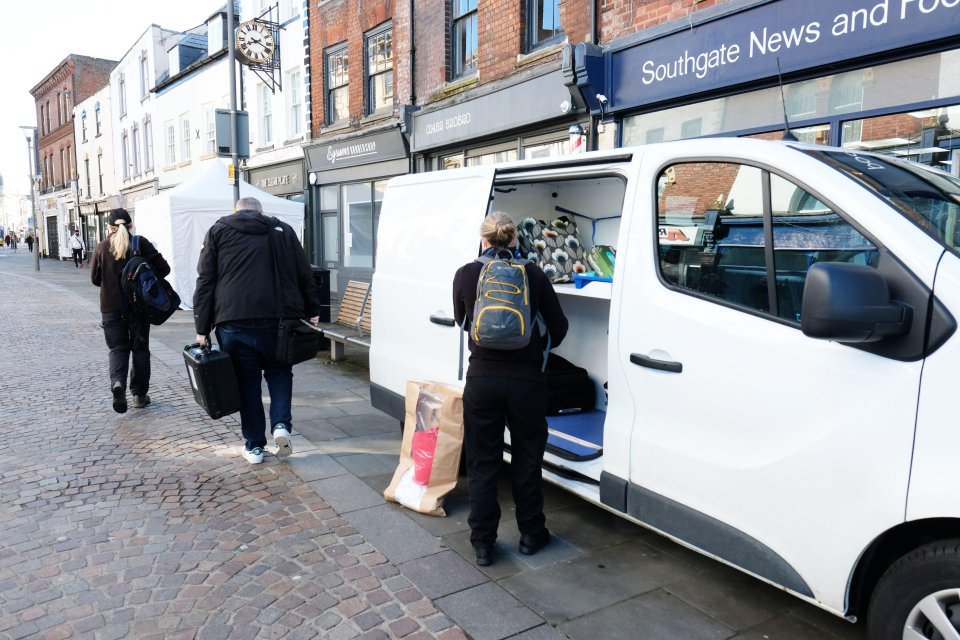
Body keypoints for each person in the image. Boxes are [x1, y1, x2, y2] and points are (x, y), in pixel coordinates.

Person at [452, 211, 569, 567]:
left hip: (482, 381)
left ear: (484, 239)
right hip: (527, 383)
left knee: (483, 463)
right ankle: (532, 534)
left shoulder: (467, 274)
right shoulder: (533, 274)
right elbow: (560, 328)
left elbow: (463, 321)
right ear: (515, 239)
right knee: (526, 460)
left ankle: (483, 543)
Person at [193, 196, 321, 464]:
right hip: (279, 320)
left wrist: (202, 328)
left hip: (233, 320)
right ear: (261, 213)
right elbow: (304, 273)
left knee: (247, 383)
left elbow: (206, 281)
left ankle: (253, 446)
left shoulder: (218, 231)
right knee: (279, 372)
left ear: (236, 211)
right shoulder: (282, 231)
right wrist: (313, 310)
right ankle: (281, 426)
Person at [90, 208, 170, 413]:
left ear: (109, 227)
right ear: (131, 225)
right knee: (140, 350)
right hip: (139, 308)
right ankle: (139, 396)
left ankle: (118, 383)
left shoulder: (101, 248)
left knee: (117, 349)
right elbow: (165, 269)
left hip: (111, 308)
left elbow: (95, 280)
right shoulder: (140, 243)